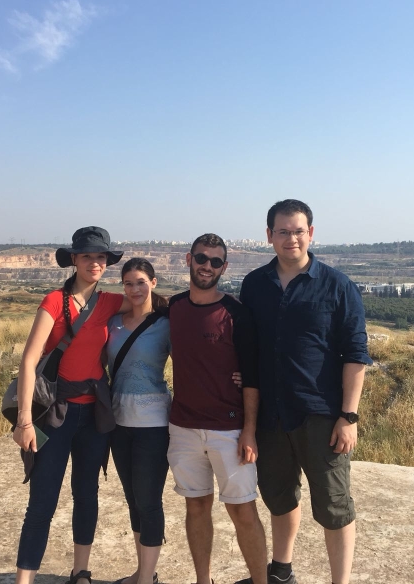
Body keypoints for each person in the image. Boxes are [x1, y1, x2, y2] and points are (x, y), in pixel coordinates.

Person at [239, 200, 372, 584]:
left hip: (321, 416)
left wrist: (348, 417)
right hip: (271, 415)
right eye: (282, 231)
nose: (291, 239)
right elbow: (249, 350)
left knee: (334, 507)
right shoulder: (255, 285)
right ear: (269, 236)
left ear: (310, 233)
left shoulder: (337, 285)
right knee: (279, 498)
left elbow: (356, 354)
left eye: (298, 231)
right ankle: (282, 571)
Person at [13, 226, 129, 584]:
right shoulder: (53, 301)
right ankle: (24, 580)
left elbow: (151, 302)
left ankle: (81, 572)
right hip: (54, 413)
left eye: (101, 256)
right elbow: (28, 361)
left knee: (86, 495)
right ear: (74, 260)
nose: (95, 262)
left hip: (94, 414)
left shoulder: (109, 302)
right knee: (42, 502)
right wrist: (24, 421)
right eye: (88, 256)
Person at [166, 233, 268, 584]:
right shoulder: (174, 307)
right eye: (201, 258)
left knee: (243, 511)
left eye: (215, 261)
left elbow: (251, 376)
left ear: (224, 267)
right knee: (195, 506)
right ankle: (203, 580)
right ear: (188, 259)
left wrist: (249, 431)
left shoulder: (237, 313)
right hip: (183, 427)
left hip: (229, 430)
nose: (206, 266)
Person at [106, 258, 171, 584]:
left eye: (141, 282)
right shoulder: (113, 323)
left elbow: (193, 360)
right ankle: (143, 572)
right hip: (118, 422)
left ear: (153, 283)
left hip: (153, 424)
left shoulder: (166, 323)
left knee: (148, 501)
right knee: (133, 499)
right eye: (128, 283)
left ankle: (146, 578)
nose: (134, 289)